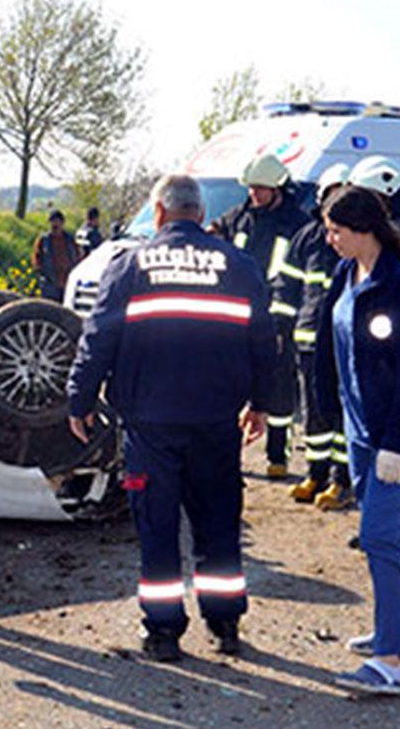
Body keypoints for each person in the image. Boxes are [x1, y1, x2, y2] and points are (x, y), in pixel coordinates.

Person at [67, 174, 282, 662]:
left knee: (158, 530)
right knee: (218, 524)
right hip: (215, 423)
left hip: (150, 426)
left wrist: (78, 399)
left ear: (159, 213)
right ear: (201, 215)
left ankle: (163, 634)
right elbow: (263, 345)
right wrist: (262, 403)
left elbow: (98, 338)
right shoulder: (239, 266)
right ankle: (225, 623)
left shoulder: (129, 264)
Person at [312, 185, 400, 696]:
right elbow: (332, 343)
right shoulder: (348, 272)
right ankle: (398, 633)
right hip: (361, 427)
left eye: (336, 231)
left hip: (399, 431)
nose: (330, 239)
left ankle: (388, 664)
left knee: (378, 533)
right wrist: (330, 410)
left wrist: (394, 442)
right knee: (385, 537)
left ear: (364, 229)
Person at [214, 153, 309, 477]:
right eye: (251, 188)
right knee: (230, 383)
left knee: (279, 386)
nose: (254, 194)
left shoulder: (297, 223)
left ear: (277, 187)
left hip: (276, 315)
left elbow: (295, 275)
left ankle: (277, 457)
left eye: (261, 189)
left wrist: (283, 319)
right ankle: (228, 453)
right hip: (236, 313)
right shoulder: (236, 218)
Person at [279, 163, 352, 509]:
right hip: (309, 340)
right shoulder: (307, 236)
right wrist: (281, 329)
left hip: (345, 342)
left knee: (342, 414)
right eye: (331, 193)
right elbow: (287, 287)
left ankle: (341, 480)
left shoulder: (356, 238)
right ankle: (315, 474)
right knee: (314, 412)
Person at [33, 210, 82, 301]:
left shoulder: (70, 240)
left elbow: (78, 256)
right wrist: (42, 273)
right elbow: (37, 258)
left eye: (57, 221)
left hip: (67, 281)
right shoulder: (43, 241)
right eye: (52, 221)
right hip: (50, 283)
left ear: (62, 223)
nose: (55, 224)